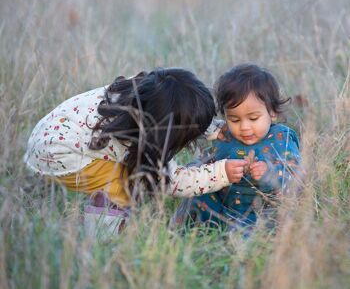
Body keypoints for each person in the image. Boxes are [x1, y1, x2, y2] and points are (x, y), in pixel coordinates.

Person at [24, 67, 247, 235]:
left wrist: (210, 128)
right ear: (163, 133)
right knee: (123, 188)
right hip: (59, 156)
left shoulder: (146, 93)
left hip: (48, 132)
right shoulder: (140, 138)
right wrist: (221, 173)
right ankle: (101, 236)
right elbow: (172, 182)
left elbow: (175, 111)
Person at [173, 63, 302, 232]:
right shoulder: (226, 137)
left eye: (253, 118)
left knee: (263, 228)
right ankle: (181, 233)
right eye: (234, 120)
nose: (244, 127)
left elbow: (296, 176)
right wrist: (195, 170)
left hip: (261, 213)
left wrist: (269, 173)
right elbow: (205, 160)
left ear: (272, 112)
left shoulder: (279, 138)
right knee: (196, 198)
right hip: (224, 207)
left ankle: (242, 243)